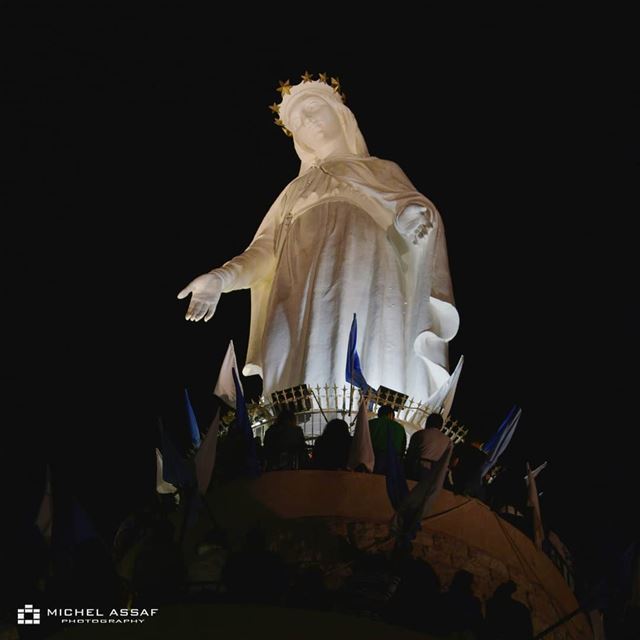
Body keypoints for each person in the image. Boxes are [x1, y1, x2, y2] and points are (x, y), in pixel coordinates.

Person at [177, 74, 459, 406]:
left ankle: (374, 428)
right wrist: (220, 278)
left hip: (368, 284)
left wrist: (413, 216)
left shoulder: (381, 171)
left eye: (313, 109)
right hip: (303, 297)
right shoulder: (293, 193)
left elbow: (414, 210)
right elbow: (265, 251)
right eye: (299, 122)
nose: (309, 121)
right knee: (304, 365)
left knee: (365, 352)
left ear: (341, 115)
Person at [404, 412, 452, 481]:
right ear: (441, 426)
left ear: (428, 422)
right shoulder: (448, 441)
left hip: (416, 469)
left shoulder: (419, 434)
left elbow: (410, 454)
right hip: (436, 473)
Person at [368, 405, 406, 474]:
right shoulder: (400, 428)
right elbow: (402, 448)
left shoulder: (370, 423)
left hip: (371, 458)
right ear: (391, 415)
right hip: (392, 461)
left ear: (379, 414)